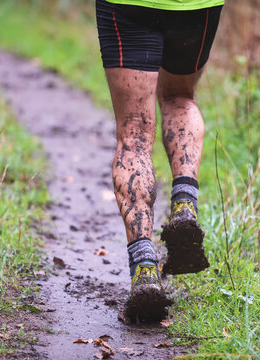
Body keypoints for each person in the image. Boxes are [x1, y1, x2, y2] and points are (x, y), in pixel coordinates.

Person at [96, 0, 224, 321]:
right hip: (196, 6)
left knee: (134, 133)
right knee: (181, 97)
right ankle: (184, 205)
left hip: (128, 5)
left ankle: (145, 271)